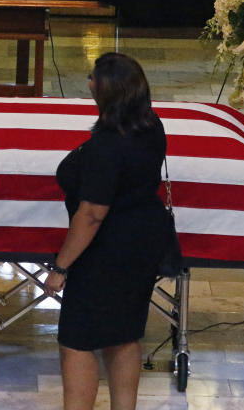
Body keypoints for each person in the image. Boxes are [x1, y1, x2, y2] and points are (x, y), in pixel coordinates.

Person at [43, 53, 170, 410]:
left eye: (93, 79)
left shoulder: (107, 145)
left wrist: (61, 267)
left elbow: (93, 214)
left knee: (77, 340)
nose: (89, 84)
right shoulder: (151, 124)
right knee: (124, 333)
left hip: (106, 251)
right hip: (143, 241)